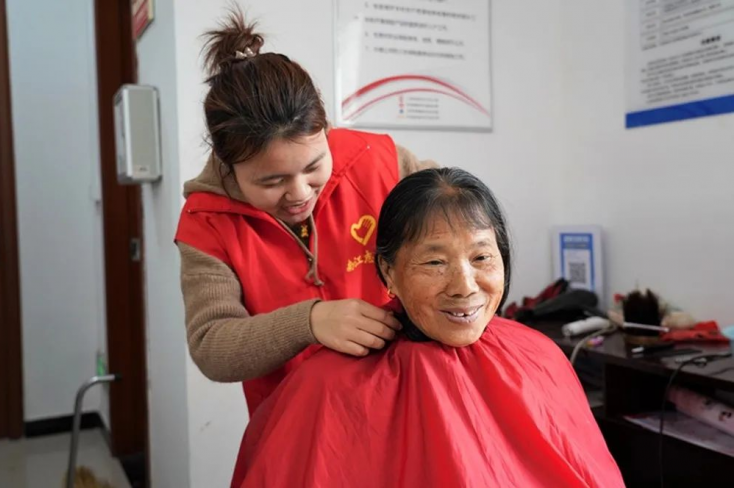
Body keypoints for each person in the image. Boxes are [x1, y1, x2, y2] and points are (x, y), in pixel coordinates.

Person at [232, 168, 625, 488]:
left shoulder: (541, 357)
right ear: (388, 271)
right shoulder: (328, 386)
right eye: (435, 263)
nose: (465, 286)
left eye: (482, 257)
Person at [174, 9, 435, 414]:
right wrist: (309, 323)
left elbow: (453, 209)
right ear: (229, 166)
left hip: (404, 401)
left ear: (325, 131)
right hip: (300, 424)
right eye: (271, 181)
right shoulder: (206, 223)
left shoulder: (376, 161)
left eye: (314, 167)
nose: (299, 193)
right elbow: (212, 345)